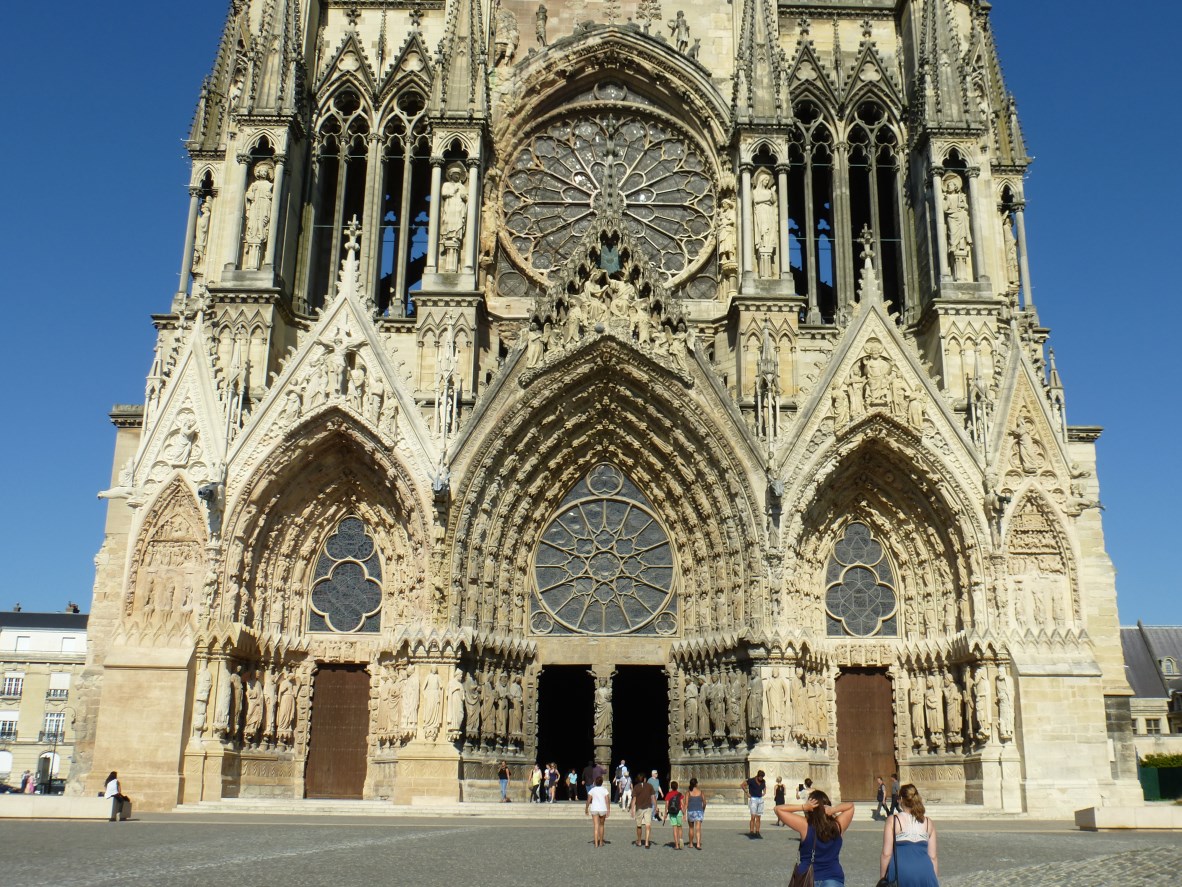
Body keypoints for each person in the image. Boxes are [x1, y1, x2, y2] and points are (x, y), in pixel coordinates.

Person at [776, 789, 856, 887]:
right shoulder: (838, 825)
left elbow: (778, 809)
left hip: (807, 878)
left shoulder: (805, 825)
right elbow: (851, 806)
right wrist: (833, 810)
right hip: (833, 877)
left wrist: (803, 807)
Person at [880, 784, 939, 887]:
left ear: (901, 799)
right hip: (925, 871)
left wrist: (882, 879)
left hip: (902, 871)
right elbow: (933, 856)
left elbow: (886, 854)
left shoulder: (893, 820)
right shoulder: (928, 822)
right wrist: (934, 878)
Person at [585, 774, 610, 848]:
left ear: (595, 782)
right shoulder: (605, 790)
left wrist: (586, 808)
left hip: (594, 808)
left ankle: (596, 843)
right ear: (602, 782)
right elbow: (607, 801)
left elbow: (588, 800)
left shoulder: (592, 790)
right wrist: (608, 809)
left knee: (596, 826)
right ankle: (601, 842)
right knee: (601, 826)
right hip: (602, 808)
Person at [630, 774, 655, 848]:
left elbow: (634, 799)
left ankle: (639, 841)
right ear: (644, 779)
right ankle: (647, 842)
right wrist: (656, 807)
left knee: (639, 825)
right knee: (648, 825)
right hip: (648, 807)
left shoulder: (636, 787)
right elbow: (653, 797)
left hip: (639, 808)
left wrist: (632, 810)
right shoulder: (649, 786)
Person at [744, 769, 767, 837]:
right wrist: (747, 793)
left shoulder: (763, 781)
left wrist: (764, 792)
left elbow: (764, 786)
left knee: (759, 817)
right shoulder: (751, 780)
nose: (761, 778)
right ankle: (751, 831)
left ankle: (757, 831)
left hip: (760, 799)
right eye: (760, 777)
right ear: (758, 776)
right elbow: (742, 785)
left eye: (762, 777)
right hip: (753, 799)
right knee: (753, 816)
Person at [685, 777, 706, 850]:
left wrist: (684, 813)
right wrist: (703, 809)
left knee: (691, 828)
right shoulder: (701, 792)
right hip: (699, 811)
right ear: (696, 784)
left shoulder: (688, 792)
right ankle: (698, 844)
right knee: (698, 829)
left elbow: (686, 804)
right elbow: (704, 803)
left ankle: (690, 843)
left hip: (691, 811)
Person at [665, 780, 685, 849]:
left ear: (671, 787)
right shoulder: (680, 794)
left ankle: (676, 845)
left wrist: (665, 813)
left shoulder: (668, 794)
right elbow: (682, 804)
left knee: (674, 828)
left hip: (672, 812)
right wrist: (684, 813)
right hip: (679, 812)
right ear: (677, 787)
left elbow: (667, 805)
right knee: (680, 827)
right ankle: (681, 840)